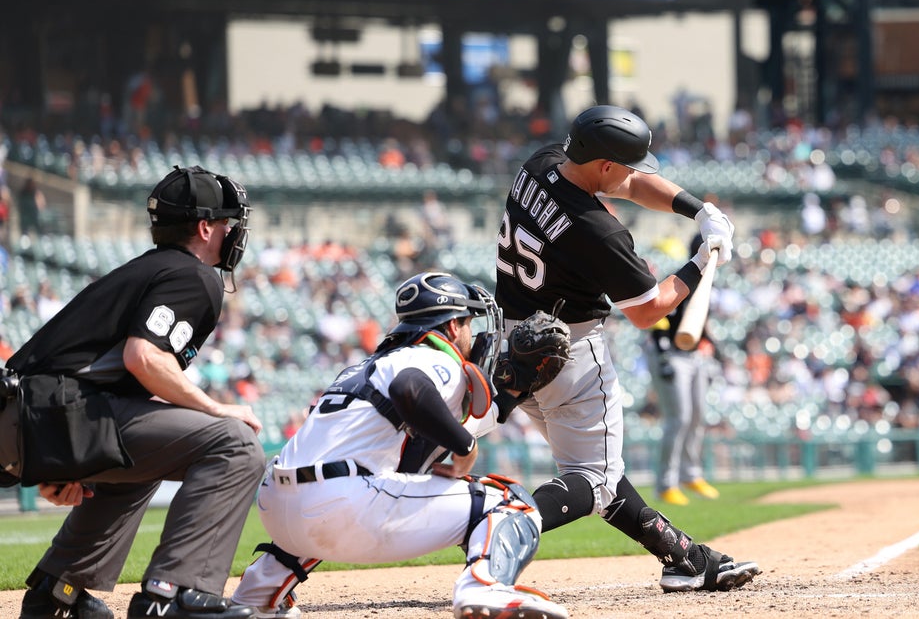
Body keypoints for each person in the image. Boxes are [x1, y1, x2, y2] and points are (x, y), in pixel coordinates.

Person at [494, 104, 760, 593]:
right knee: (592, 480)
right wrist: (701, 259)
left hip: (510, 344)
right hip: (566, 354)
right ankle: (505, 525)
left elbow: (630, 184)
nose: (637, 173)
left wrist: (699, 209)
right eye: (628, 164)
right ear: (605, 166)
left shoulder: (542, 161)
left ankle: (686, 559)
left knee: (600, 472)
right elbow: (648, 310)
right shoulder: (598, 230)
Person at [3, 165, 264, 619]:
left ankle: (59, 592)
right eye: (226, 224)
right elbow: (143, 357)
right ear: (205, 228)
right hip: (52, 412)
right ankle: (176, 594)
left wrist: (62, 455)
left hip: (34, 414)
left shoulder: (148, 268)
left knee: (145, 456)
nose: (231, 233)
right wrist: (216, 407)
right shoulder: (195, 276)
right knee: (236, 445)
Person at [231, 272, 567, 619]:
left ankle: (257, 593)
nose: (472, 333)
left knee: (333, 500)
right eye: (468, 322)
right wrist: (466, 448)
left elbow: (412, 456)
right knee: (510, 501)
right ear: (452, 327)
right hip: (339, 501)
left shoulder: (362, 368)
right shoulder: (432, 358)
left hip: (277, 507)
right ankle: (485, 585)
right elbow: (410, 388)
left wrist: (508, 397)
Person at [646, 233, 722, 506]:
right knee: (679, 418)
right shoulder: (680, 277)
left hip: (693, 355)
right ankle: (666, 484)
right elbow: (660, 317)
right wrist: (664, 354)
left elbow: (700, 322)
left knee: (698, 415)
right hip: (671, 353)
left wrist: (716, 347)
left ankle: (691, 474)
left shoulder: (707, 281)